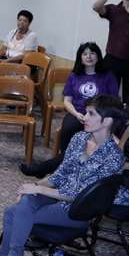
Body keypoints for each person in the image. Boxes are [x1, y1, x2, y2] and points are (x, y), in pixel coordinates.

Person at [0, 94, 129, 256]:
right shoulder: (79, 138)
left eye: (91, 113)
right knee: (25, 202)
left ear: (107, 120)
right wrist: (36, 187)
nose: (84, 116)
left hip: (78, 212)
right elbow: (59, 176)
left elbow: (80, 196)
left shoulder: (113, 157)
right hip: (57, 199)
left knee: (14, 212)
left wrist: (38, 189)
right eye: (86, 112)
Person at [20, 42, 119, 177]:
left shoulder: (107, 76)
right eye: (85, 54)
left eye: (92, 53)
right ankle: (63, 163)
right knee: (68, 128)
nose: (89, 57)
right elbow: (67, 101)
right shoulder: (74, 75)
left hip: (98, 118)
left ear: (98, 56)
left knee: (76, 148)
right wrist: (77, 114)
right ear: (80, 58)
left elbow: (113, 102)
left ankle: (45, 168)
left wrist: (96, 116)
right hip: (77, 112)